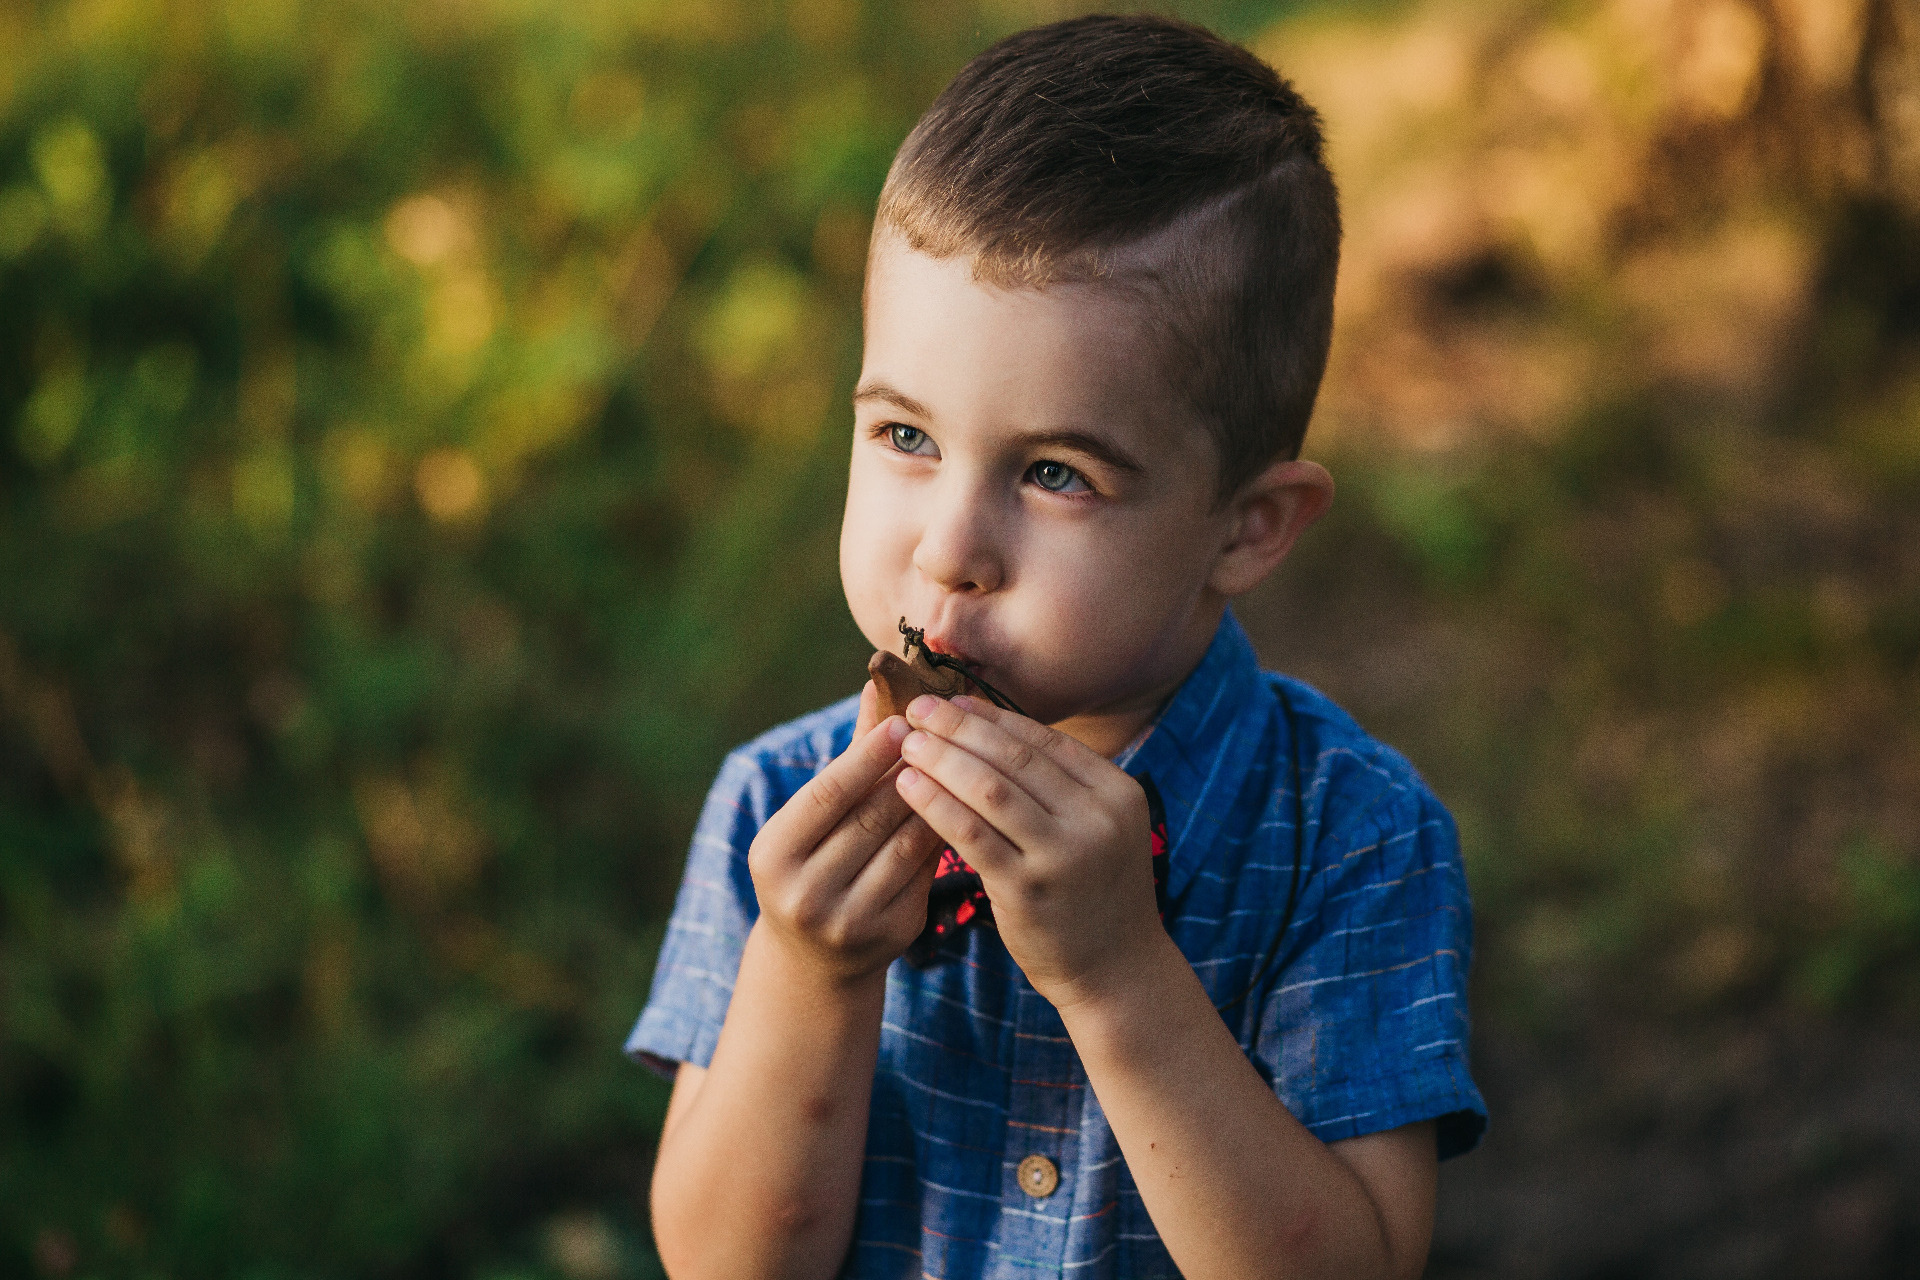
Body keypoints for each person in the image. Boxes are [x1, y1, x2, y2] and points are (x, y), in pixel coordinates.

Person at [629, 14, 1486, 1279]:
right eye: (906, 437)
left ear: (1246, 528)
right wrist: (808, 972)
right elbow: (722, 1263)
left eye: (1052, 470)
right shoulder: (773, 811)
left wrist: (1118, 975)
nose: (950, 546)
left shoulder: (1352, 833)